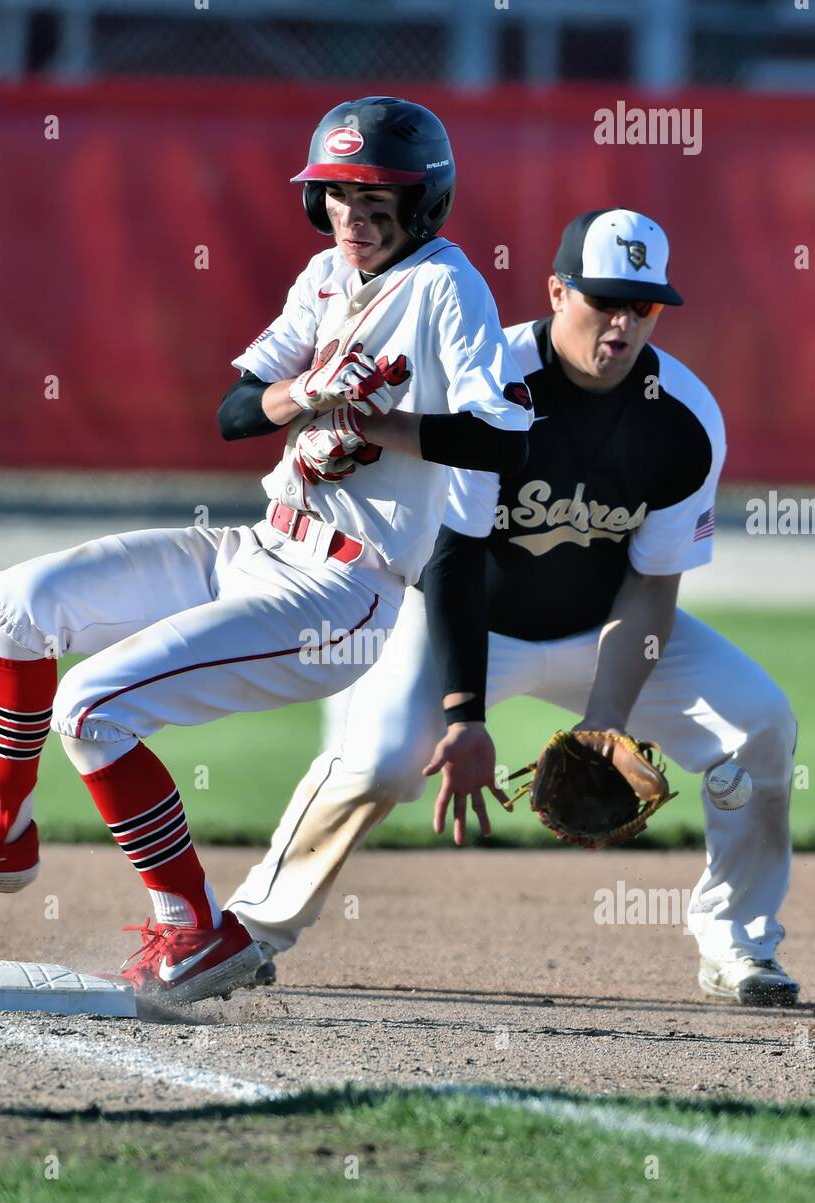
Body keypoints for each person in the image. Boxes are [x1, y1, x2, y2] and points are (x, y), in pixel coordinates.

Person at [0, 96, 530, 1003]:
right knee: (19, 600)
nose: (352, 211)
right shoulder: (321, 276)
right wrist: (309, 394)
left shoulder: (447, 287)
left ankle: (197, 930)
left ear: (423, 201)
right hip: (261, 542)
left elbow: (502, 442)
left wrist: (372, 423)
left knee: (92, 707)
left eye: (375, 194)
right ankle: (0, 828)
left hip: (343, 592)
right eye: (336, 192)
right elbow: (236, 413)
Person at [227, 208, 800, 1008]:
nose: (622, 322)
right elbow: (451, 554)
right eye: (604, 299)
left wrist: (608, 720)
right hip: (448, 618)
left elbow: (651, 585)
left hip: (592, 627)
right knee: (382, 760)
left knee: (761, 726)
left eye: (643, 306)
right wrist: (463, 711)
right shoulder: (486, 377)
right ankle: (249, 930)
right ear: (557, 290)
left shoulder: (683, 418)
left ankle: (739, 944)